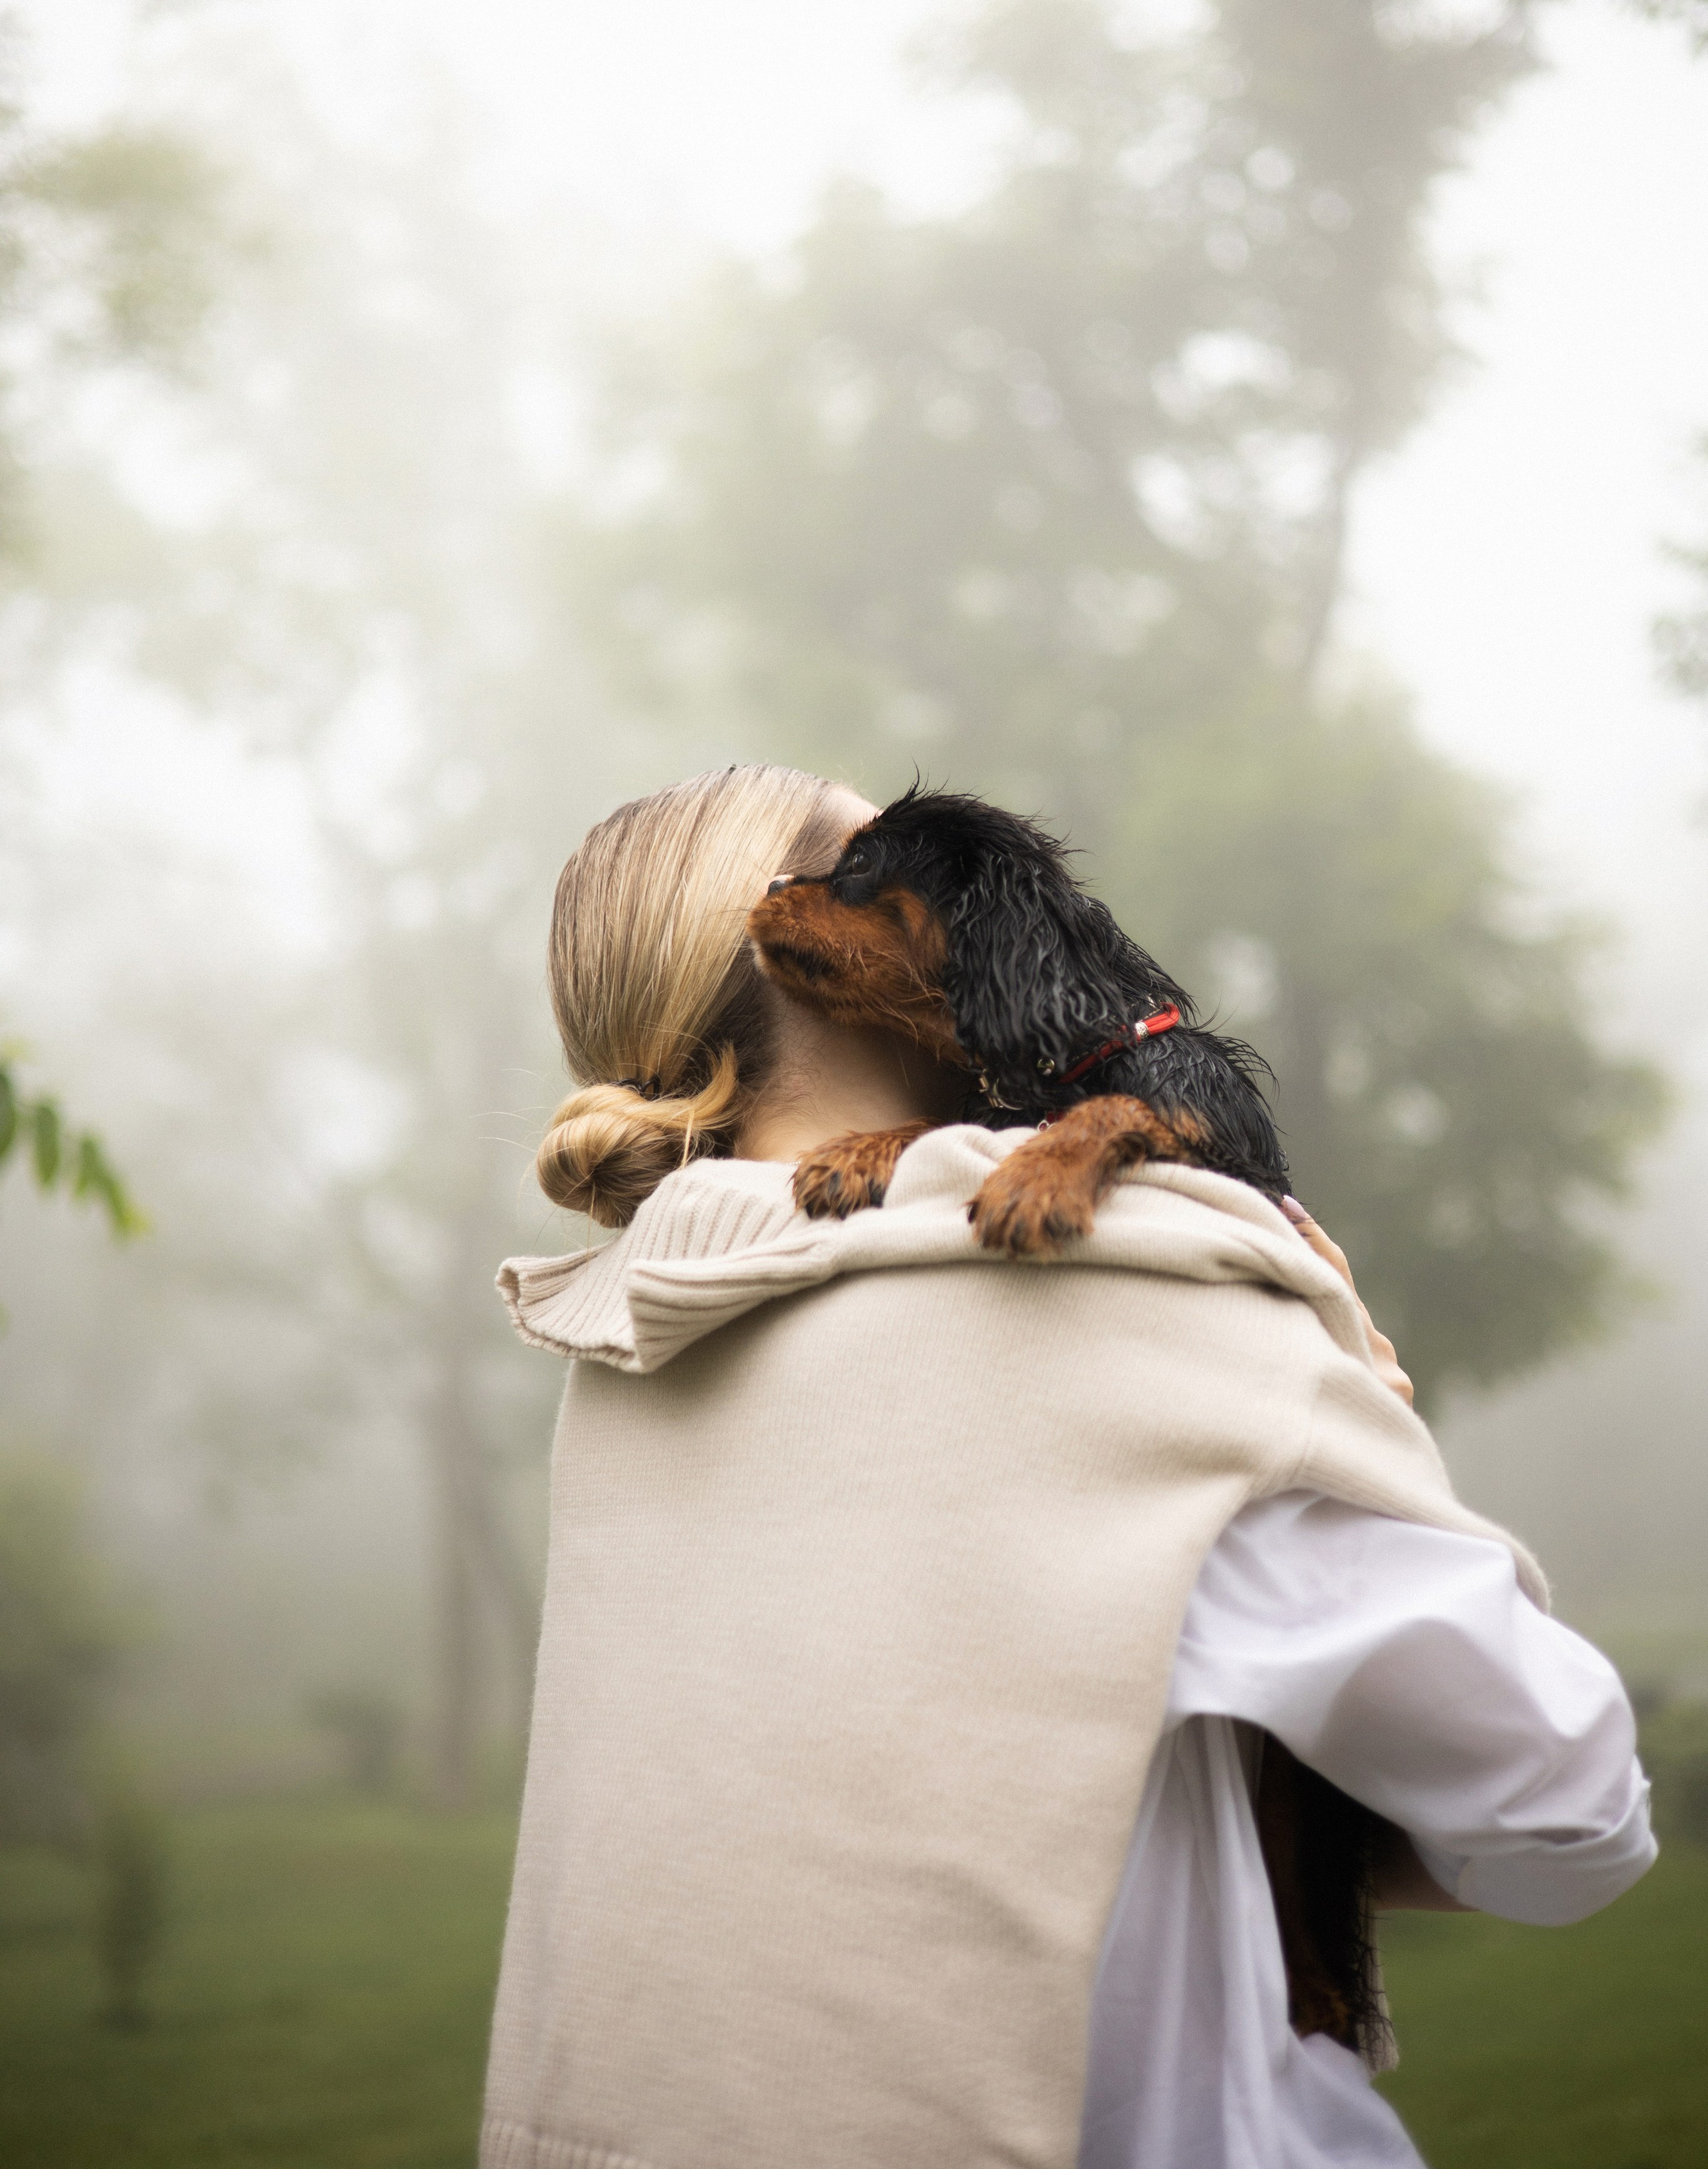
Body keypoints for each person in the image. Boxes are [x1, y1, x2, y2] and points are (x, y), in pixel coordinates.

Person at [482, 763, 1655, 2169]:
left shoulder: (631, 1345)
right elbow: (1568, 1808)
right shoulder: (1144, 1306)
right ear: (792, 952)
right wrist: (1355, 1404)